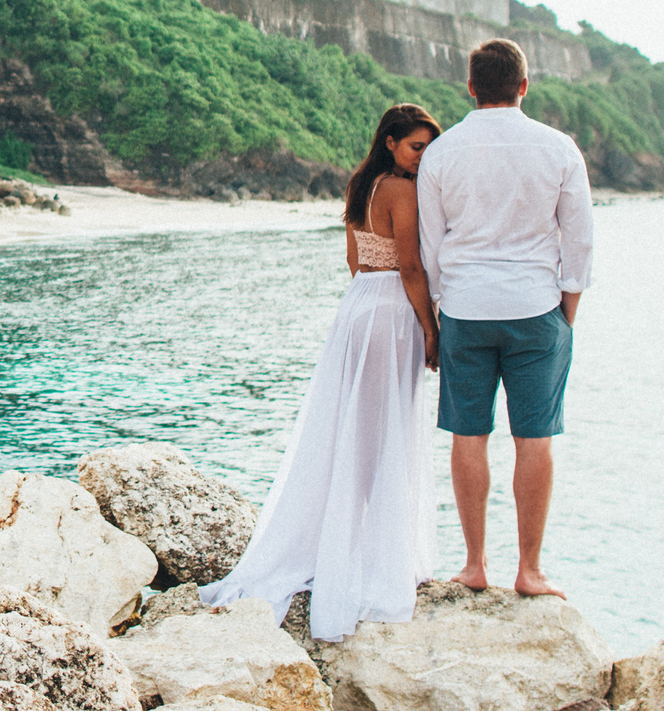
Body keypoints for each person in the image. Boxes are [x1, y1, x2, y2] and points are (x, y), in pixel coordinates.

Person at [200, 103, 444, 639]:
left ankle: (340, 544)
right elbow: (409, 266)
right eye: (416, 147)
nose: (423, 159)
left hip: (357, 304)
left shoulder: (363, 185)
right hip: (390, 308)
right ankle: (371, 559)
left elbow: (355, 260)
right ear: (391, 143)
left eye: (429, 148)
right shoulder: (402, 191)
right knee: (383, 434)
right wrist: (431, 329)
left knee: (350, 428)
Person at [416, 38, 593, 598]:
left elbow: (430, 244)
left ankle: (473, 565)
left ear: (470, 86)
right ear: (523, 86)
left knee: (469, 436)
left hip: (465, 310)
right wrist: (567, 308)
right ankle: (530, 571)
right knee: (534, 438)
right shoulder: (558, 147)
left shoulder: (442, 153)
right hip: (536, 308)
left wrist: (442, 309)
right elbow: (580, 239)